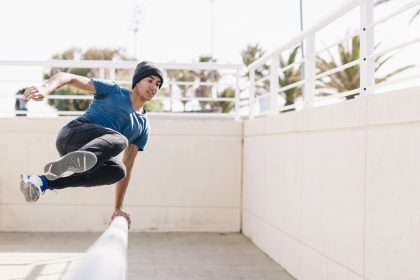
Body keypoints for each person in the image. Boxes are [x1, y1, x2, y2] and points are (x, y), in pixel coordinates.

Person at [20, 61, 164, 227]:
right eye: (150, 80)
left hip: (90, 156)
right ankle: (75, 161)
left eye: (158, 84)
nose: (154, 87)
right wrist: (45, 88)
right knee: (120, 140)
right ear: (137, 81)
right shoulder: (113, 91)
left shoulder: (143, 127)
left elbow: (128, 165)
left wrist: (118, 208)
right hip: (73, 135)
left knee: (118, 171)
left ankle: (41, 182)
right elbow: (68, 77)